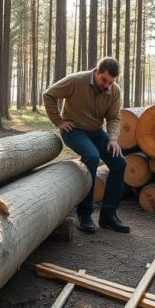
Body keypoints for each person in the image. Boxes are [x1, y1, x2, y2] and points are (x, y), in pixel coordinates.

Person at [43, 57, 130, 234]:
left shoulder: (114, 91)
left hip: (97, 132)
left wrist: (113, 139)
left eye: (111, 82)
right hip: (73, 130)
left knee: (119, 163)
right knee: (91, 156)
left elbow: (113, 118)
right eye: (104, 80)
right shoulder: (76, 80)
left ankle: (108, 215)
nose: (106, 85)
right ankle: (84, 214)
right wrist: (58, 121)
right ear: (96, 71)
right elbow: (49, 95)